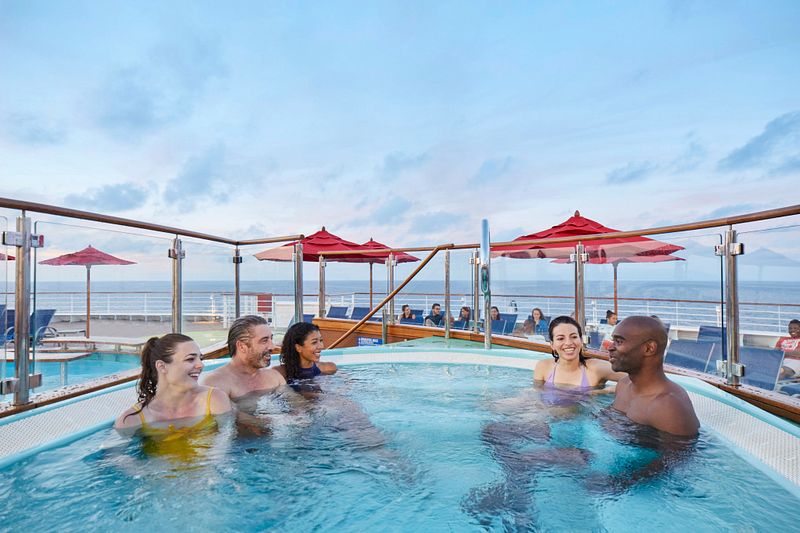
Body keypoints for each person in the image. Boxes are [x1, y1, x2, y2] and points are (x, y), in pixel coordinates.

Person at [115, 333, 231, 431]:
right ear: (162, 366)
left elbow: (226, 447)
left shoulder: (214, 400)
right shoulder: (131, 421)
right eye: (190, 359)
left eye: (200, 358)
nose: (201, 365)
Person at [608, 316, 700, 436]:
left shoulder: (668, 406)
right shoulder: (623, 385)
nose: (610, 347)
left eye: (619, 342)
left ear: (649, 348)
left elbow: (682, 454)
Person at [200, 315, 286, 399]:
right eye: (264, 341)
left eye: (271, 339)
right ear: (241, 346)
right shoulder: (215, 383)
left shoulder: (274, 378)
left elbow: (294, 406)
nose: (272, 347)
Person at [533, 316, 623, 390]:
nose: (568, 343)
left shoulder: (596, 368)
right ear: (552, 344)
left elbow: (635, 377)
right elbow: (535, 397)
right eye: (560, 338)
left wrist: (605, 392)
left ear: (580, 340)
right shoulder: (543, 367)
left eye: (574, 337)